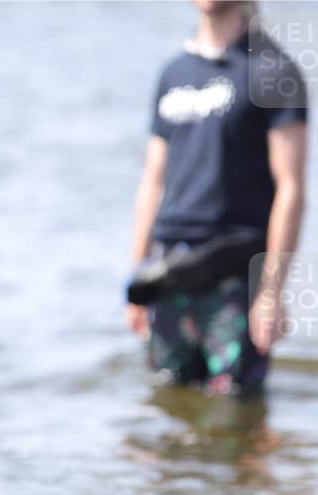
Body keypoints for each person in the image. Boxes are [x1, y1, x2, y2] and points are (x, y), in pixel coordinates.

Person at [127, 0, 307, 397]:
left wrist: (271, 292)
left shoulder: (274, 70)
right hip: (169, 270)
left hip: (235, 274)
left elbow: (291, 187)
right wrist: (136, 278)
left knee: (236, 412)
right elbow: (153, 180)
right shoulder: (173, 73)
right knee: (168, 403)